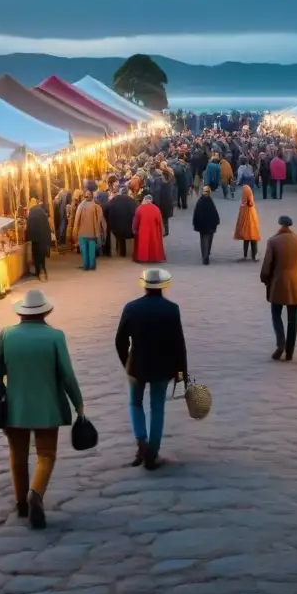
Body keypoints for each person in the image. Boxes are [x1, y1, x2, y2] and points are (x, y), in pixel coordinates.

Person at [0, 289, 84, 529]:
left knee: (17, 456)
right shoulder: (55, 337)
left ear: (21, 313)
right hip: (47, 406)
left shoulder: (6, 335)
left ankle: (21, 502)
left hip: (15, 407)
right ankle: (36, 494)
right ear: (46, 312)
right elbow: (67, 375)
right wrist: (78, 404)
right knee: (46, 454)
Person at [115, 268, 188, 470]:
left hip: (136, 365)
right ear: (163, 286)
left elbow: (120, 340)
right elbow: (178, 345)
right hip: (163, 368)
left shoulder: (131, 307)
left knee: (135, 404)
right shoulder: (172, 309)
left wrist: (126, 362)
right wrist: (182, 374)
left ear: (144, 285)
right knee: (157, 408)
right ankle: (152, 453)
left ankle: (141, 442)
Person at [260, 216, 297, 362]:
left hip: (278, 282)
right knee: (293, 318)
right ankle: (290, 351)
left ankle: (280, 342)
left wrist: (265, 279)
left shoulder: (273, 241)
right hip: (296, 283)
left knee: (276, 314)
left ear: (280, 225)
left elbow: (267, 266)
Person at [72, 190, 106, 271]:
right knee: (91, 251)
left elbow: (76, 221)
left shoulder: (80, 206)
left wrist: (75, 232)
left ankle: (86, 266)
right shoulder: (97, 207)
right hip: (92, 233)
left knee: (84, 251)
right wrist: (102, 233)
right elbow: (101, 221)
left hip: (82, 233)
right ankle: (92, 265)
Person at [132, 194, 166, 263]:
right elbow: (159, 221)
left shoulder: (140, 208)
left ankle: (143, 257)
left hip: (143, 231)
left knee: (144, 244)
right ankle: (154, 257)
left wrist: (134, 229)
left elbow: (136, 221)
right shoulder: (156, 208)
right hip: (154, 231)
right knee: (153, 243)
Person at [106, 186, 138, 258]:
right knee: (128, 238)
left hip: (117, 225)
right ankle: (131, 252)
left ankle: (122, 253)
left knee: (120, 239)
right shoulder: (132, 201)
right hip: (129, 225)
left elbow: (106, 208)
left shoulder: (114, 200)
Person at [192, 185, 221, 265]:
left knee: (203, 240)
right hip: (210, 226)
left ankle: (205, 255)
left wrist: (196, 224)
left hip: (202, 226)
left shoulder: (200, 202)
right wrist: (216, 221)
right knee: (208, 240)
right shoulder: (209, 201)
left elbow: (196, 214)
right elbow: (214, 213)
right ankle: (206, 254)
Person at [26, 198, 52, 280]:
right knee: (42, 256)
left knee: (36, 255)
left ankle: (38, 272)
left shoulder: (31, 213)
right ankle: (43, 271)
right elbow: (47, 226)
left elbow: (29, 227)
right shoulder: (42, 212)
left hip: (35, 239)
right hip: (43, 238)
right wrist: (48, 238)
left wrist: (28, 238)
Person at [234, 184, 261, 261]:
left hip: (246, 226)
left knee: (247, 239)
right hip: (251, 225)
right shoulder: (251, 206)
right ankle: (254, 255)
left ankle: (246, 255)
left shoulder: (244, 205)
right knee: (253, 239)